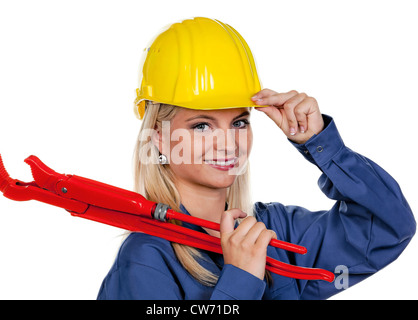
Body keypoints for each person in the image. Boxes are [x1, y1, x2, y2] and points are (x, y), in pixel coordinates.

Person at [97, 17, 415, 300]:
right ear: (160, 138)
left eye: (239, 122)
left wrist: (321, 144)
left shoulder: (273, 232)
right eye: (202, 125)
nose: (228, 144)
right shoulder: (144, 261)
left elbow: (391, 226)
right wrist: (242, 280)